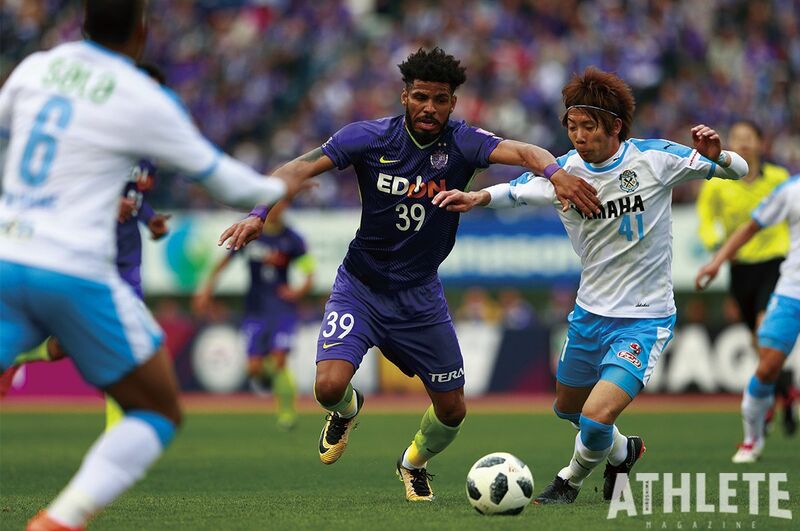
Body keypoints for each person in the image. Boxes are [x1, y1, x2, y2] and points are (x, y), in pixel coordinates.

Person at [217, 47, 600, 502]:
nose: (429, 108)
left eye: (440, 99)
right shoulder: (368, 137)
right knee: (328, 387)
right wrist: (259, 213)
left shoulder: (464, 142)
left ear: (453, 102)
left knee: (453, 410)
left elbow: (523, 151)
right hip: (360, 287)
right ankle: (347, 411)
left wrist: (556, 174)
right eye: (420, 97)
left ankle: (413, 462)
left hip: (419, 296)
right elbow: (298, 167)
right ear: (404, 96)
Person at [0, 1, 300, 529]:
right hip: (71, 269)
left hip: (7, 256)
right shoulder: (140, 95)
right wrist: (282, 187)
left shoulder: (34, 68)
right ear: (141, 32)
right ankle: (58, 521)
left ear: (82, 22)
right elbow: (227, 183)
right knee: (157, 408)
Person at [432, 67, 748, 504]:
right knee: (569, 409)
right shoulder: (564, 173)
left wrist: (720, 157)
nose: (578, 136)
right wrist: (476, 197)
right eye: (572, 126)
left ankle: (569, 481)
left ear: (614, 126)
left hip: (644, 318)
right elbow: (516, 191)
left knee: (596, 418)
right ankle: (624, 452)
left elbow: (739, 170)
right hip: (589, 314)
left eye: (588, 126)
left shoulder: (654, 159)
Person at [0, 65, 172, 433]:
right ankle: (20, 353)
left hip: (125, 260)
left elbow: (134, 197)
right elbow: (58, 188)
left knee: (121, 346)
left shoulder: (149, 150)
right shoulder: (93, 134)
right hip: (83, 252)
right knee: (69, 343)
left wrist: (150, 219)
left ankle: (115, 431)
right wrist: (107, 205)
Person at [696, 119, 796, 435]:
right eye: (736, 137)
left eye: (748, 137)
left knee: (764, 331)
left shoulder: (779, 178)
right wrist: (716, 245)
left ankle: (767, 402)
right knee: (758, 344)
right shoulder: (716, 182)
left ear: (760, 143)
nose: (742, 143)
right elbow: (705, 220)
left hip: (775, 262)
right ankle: (784, 392)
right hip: (739, 268)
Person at [194, 201, 314, 430]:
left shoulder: (293, 239)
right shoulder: (251, 232)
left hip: (282, 310)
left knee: (280, 359)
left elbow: (309, 272)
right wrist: (207, 289)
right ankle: (275, 379)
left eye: (281, 205)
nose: (277, 210)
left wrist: (298, 291)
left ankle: (287, 412)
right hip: (255, 308)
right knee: (254, 369)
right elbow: (224, 262)